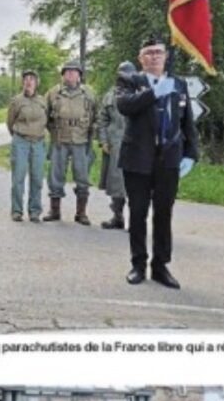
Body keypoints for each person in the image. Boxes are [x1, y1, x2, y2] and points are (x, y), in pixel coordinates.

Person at [115, 34, 199, 289]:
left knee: (164, 214)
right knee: (138, 213)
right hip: (138, 159)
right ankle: (138, 264)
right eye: (148, 52)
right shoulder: (131, 80)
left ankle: (160, 266)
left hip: (168, 159)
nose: (154, 56)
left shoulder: (179, 84)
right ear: (141, 58)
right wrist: (152, 93)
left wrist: (191, 154)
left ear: (166, 56)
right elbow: (124, 105)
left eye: (158, 52)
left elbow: (187, 122)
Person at [43, 59, 97, 225]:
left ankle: (81, 213)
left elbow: (97, 115)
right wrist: (52, 131)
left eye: (74, 72)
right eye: (67, 72)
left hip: (81, 140)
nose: (70, 74)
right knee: (55, 176)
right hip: (60, 139)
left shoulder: (89, 93)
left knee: (82, 176)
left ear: (79, 75)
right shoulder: (53, 93)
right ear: (63, 75)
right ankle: (55, 210)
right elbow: (44, 114)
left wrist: (93, 133)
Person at [6, 70, 48, 222]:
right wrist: (18, 137)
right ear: (22, 82)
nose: (29, 82)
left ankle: (35, 211)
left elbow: (47, 120)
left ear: (37, 83)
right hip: (21, 141)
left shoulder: (43, 101)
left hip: (38, 142)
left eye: (32, 79)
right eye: (26, 79)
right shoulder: (16, 101)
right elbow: (10, 122)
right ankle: (17, 211)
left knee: (37, 178)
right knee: (18, 177)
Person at [94, 62, 131, 229]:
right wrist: (103, 141)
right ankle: (117, 216)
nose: (125, 77)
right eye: (122, 74)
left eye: (128, 74)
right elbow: (102, 120)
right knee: (116, 183)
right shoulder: (110, 95)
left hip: (135, 145)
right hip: (114, 145)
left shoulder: (141, 93)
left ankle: (136, 221)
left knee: (135, 185)